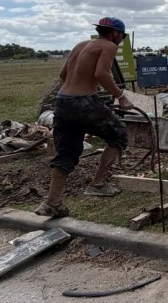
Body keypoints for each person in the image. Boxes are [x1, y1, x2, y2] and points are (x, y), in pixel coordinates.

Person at [34, 16, 134, 217]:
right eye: (122, 36)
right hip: (83, 102)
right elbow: (101, 74)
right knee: (119, 134)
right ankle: (97, 184)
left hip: (62, 102)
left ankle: (51, 202)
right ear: (115, 33)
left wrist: (83, 83)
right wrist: (121, 96)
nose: (121, 40)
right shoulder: (109, 46)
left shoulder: (80, 45)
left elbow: (63, 75)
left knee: (66, 152)